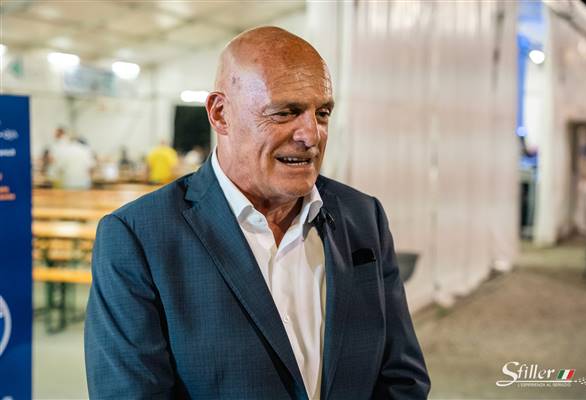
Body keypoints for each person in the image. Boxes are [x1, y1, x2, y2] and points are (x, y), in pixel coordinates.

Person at [85, 27, 430, 399]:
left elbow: (402, 378)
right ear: (221, 114)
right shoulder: (139, 237)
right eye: (285, 112)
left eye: (322, 113)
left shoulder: (363, 217)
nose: (311, 135)